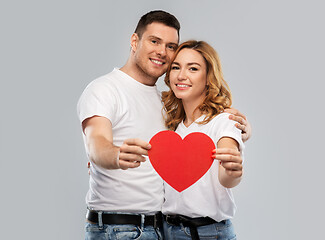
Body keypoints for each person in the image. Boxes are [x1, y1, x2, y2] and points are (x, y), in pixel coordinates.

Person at [77, 10, 251, 240]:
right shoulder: (104, 89)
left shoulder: (168, 106)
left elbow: (214, 153)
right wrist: (114, 155)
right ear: (134, 41)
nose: (162, 51)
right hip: (119, 229)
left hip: (162, 229)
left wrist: (242, 133)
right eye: (154, 41)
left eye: (171, 46)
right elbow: (98, 144)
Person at [161, 40, 244, 239]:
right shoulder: (171, 127)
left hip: (209, 233)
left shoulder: (224, 121)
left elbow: (227, 176)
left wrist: (233, 172)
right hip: (168, 231)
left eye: (193, 68)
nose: (182, 75)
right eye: (176, 67)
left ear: (208, 77)